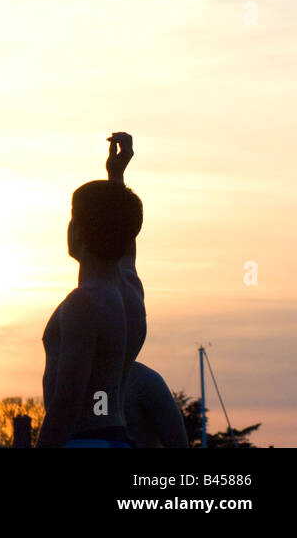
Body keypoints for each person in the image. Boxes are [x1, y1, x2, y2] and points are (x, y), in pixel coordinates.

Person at [37, 176, 143, 447]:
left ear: (79, 230)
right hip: (116, 436)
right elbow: (123, 230)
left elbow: (67, 403)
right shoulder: (130, 290)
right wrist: (116, 179)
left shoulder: (84, 302)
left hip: (86, 440)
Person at [107, 132, 188, 448]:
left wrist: (116, 177)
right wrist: (115, 177)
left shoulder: (143, 385)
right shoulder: (92, 382)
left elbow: (119, 252)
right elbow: (116, 253)